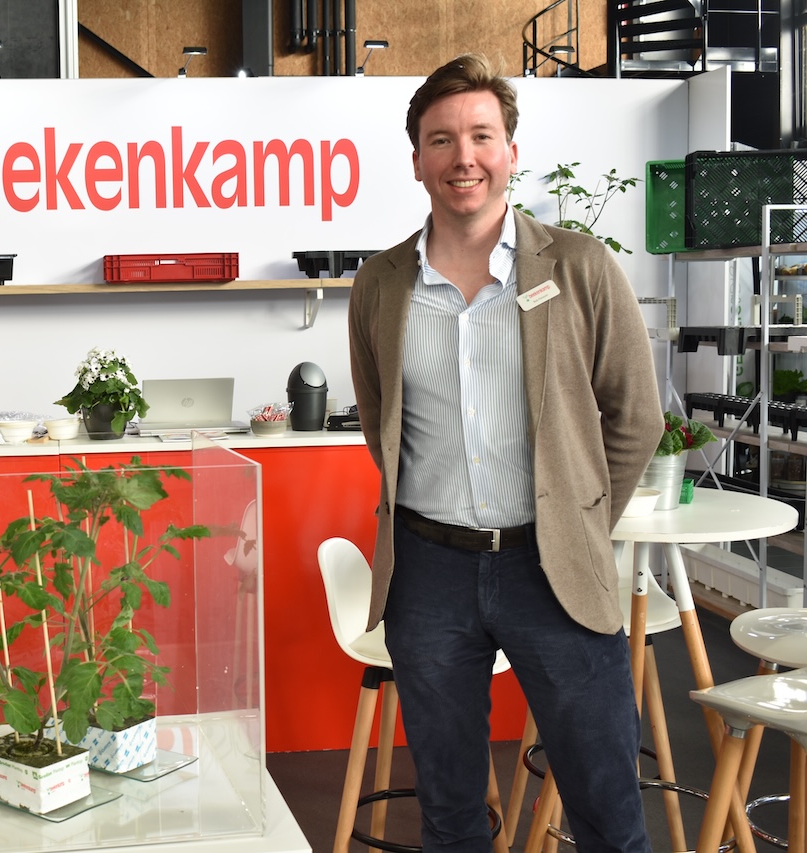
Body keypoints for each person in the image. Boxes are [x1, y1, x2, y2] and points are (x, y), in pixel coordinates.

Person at [347, 53, 661, 853]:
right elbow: (382, 421)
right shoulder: (380, 285)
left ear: (511, 151)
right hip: (428, 573)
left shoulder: (580, 266)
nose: (465, 157)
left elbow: (635, 417)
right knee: (450, 812)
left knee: (606, 805)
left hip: (553, 569)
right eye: (442, 139)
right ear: (417, 159)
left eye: (482, 136)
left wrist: (576, 520)